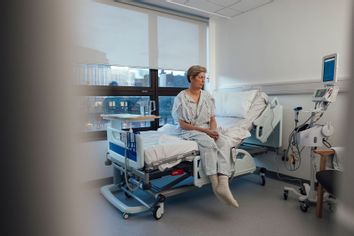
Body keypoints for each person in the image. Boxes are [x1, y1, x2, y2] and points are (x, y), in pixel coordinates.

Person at [172, 65, 239, 208]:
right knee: (208, 143)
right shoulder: (181, 97)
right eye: (201, 77)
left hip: (207, 129)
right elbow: (183, 124)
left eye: (204, 78)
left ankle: (224, 184)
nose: (203, 81)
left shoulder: (207, 96)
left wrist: (213, 131)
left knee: (224, 142)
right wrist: (206, 132)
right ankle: (215, 186)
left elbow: (212, 118)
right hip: (190, 130)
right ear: (191, 78)